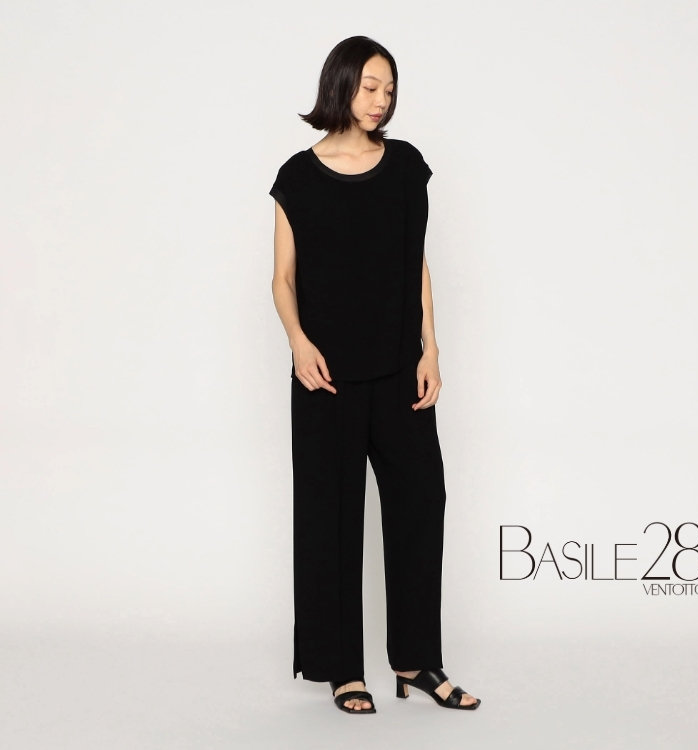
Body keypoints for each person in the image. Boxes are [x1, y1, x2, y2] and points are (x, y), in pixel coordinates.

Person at [269, 35, 480, 714]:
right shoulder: (297, 177)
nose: (381, 99)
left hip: (397, 370)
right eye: (369, 86)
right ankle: (342, 669)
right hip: (325, 377)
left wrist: (431, 349)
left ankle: (416, 662)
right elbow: (282, 278)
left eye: (389, 89)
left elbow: (416, 264)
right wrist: (298, 343)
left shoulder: (407, 167)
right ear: (340, 85)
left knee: (421, 505)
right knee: (329, 520)